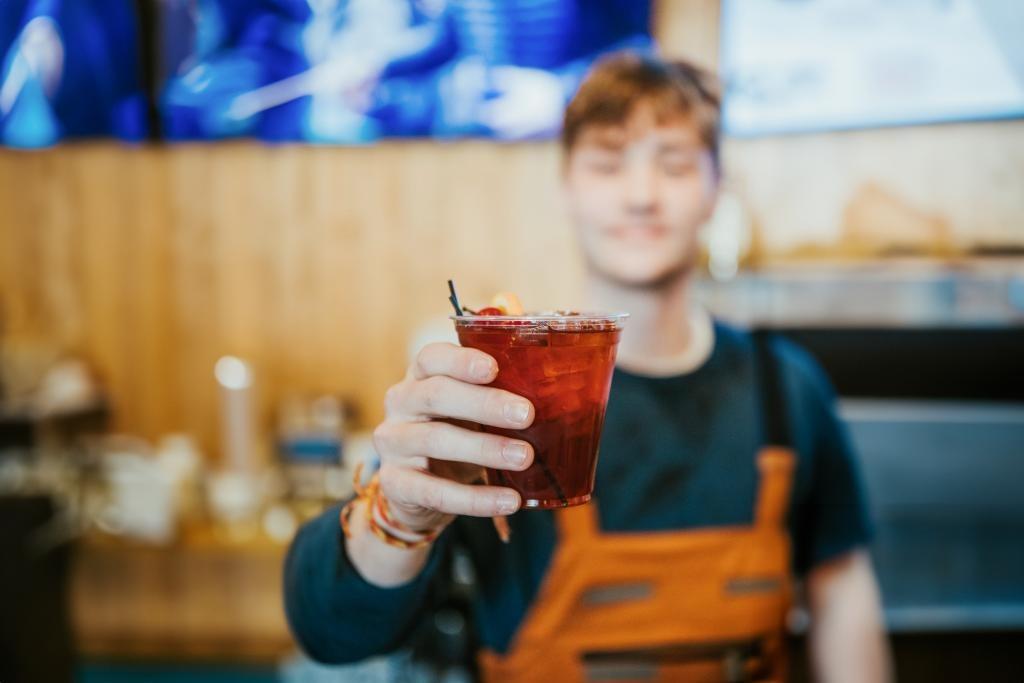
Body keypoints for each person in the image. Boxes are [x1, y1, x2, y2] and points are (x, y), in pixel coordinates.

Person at [284, 52, 892, 681]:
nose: (640, 196)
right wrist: (397, 514)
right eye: (607, 162)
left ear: (716, 189)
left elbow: (841, 586)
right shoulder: (490, 386)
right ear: (566, 186)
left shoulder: (787, 387)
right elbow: (333, 633)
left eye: (676, 164)